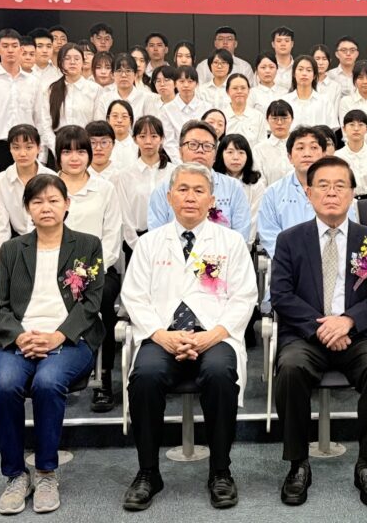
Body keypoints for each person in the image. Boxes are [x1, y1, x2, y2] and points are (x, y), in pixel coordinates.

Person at [120, 162, 256, 511]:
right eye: (183, 189)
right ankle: (148, 472)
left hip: (215, 334)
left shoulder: (231, 242)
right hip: (162, 334)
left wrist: (211, 335)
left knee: (220, 373)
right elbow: (134, 296)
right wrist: (161, 335)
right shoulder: (150, 243)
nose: (190, 197)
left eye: (199, 191)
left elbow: (244, 297)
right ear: (169, 197)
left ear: (211, 200)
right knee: (145, 376)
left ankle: (220, 471)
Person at [271, 155, 367, 507]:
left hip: (358, 333)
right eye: (322, 185)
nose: (331, 192)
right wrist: (322, 328)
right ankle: (298, 463)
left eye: (340, 185)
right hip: (306, 334)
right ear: (308, 192)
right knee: (290, 368)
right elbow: (281, 295)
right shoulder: (289, 240)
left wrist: (349, 321)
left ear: (353, 193)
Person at [0, 173, 104, 515]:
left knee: (48, 382)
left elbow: (92, 303)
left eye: (53, 200)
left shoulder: (87, 245)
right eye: (37, 202)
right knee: (5, 384)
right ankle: (15, 475)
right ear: (27, 208)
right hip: (20, 339)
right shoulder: (11, 250)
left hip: (70, 340)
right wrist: (20, 336)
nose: (46, 207)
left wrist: (58, 335)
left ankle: (46, 472)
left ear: (67, 204)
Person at [55, 126, 122, 412]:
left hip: (99, 270)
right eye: (67, 151)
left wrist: (88, 273)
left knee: (103, 298)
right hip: (53, 270)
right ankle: (54, 370)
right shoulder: (47, 186)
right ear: (58, 155)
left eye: (81, 151)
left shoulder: (105, 188)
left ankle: (103, 377)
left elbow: (112, 237)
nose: (74, 158)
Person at [147, 120, 250, 241]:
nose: (200, 150)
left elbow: (240, 237)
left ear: (215, 155)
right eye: (193, 144)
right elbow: (156, 238)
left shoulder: (233, 188)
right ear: (180, 152)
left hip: (223, 252)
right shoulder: (162, 191)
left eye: (207, 146)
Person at [257, 126, 348, 258]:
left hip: (331, 262)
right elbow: (269, 235)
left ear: (324, 155)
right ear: (290, 157)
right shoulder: (273, 193)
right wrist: (294, 260)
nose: (307, 154)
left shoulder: (339, 191)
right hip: (289, 264)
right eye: (300, 148)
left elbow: (347, 232)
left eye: (314, 147)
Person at [0, 125, 56, 293]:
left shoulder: (52, 178)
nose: (22, 153)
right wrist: (0, 266)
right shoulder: (0, 181)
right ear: (10, 149)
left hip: (49, 245)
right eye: (16, 148)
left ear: (39, 148)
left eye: (29, 147)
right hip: (17, 246)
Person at [0, 28, 40, 176]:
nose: (10, 50)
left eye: (14, 46)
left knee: (30, 187)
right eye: (5, 46)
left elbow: (39, 117)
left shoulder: (33, 81)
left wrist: (40, 152)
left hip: (28, 145)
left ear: (21, 49)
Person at [116, 116, 175, 263]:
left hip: (171, 241)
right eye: (142, 136)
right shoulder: (125, 175)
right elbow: (125, 216)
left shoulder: (174, 172)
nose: (148, 141)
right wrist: (137, 245)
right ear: (135, 139)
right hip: (136, 242)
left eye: (154, 136)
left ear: (162, 139)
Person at [39, 43, 102, 160]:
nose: (72, 62)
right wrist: (58, 149)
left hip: (85, 147)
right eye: (67, 58)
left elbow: (97, 123)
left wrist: (87, 148)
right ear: (60, 62)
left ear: (83, 62)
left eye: (77, 59)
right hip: (57, 147)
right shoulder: (50, 89)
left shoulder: (95, 89)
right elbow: (45, 124)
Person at [214, 133, 265, 245]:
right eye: (230, 152)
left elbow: (253, 219)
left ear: (248, 156)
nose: (236, 157)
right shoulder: (213, 180)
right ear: (220, 154)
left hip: (244, 242)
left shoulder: (256, 185)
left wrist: (243, 245)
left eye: (241, 152)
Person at [161, 65, 211, 161]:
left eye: (190, 81)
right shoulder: (166, 110)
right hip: (177, 161)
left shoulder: (207, 108)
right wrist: (181, 163)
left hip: (202, 157)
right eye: (182, 81)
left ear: (197, 84)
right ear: (175, 84)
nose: (186, 85)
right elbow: (169, 142)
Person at [94, 53, 158, 121]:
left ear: (135, 75)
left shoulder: (146, 99)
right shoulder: (104, 99)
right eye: (119, 71)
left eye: (128, 71)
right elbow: (100, 124)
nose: (124, 75)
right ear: (112, 75)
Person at [335, 109, 367, 197]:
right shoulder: (337, 156)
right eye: (352, 125)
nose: (356, 129)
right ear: (344, 128)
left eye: (361, 125)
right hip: (347, 200)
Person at [284, 55, 338, 130]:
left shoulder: (325, 101)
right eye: (300, 69)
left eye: (309, 70)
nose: (304, 73)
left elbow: (331, 130)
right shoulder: (285, 101)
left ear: (314, 75)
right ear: (294, 74)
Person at [252, 99, 294, 186]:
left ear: (292, 120)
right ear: (267, 120)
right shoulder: (259, 150)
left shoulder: (300, 147)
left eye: (284, 118)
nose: (279, 123)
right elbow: (259, 182)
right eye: (274, 118)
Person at [222, 73, 268, 146]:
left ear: (249, 90)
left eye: (243, 88)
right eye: (235, 88)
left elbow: (263, 145)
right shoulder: (221, 116)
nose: (239, 91)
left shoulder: (258, 116)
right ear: (227, 91)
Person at [311, 44, 343, 114]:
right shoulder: (305, 83)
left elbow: (335, 113)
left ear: (329, 61)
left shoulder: (336, 87)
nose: (321, 63)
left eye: (324, 59)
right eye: (317, 59)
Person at [106, 99, 138, 170]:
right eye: (115, 116)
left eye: (124, 116)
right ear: (108, 119)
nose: (119, 120)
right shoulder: (101, 147)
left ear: (130, 121)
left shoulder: (138, 147)